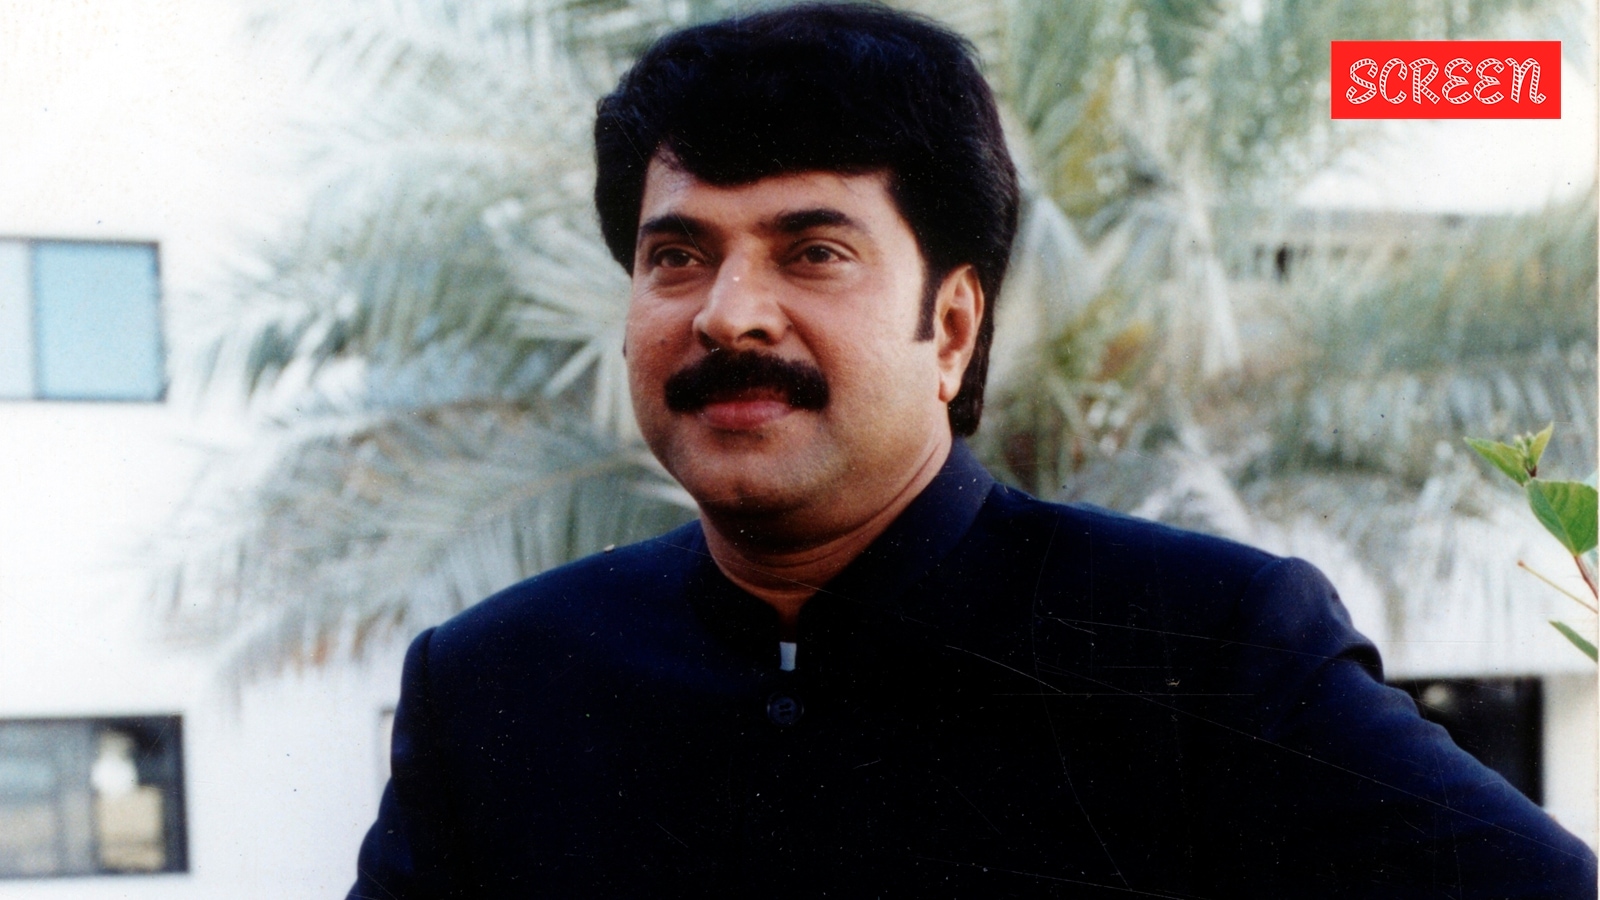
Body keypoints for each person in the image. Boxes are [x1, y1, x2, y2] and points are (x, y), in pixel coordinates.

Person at [349, 4, 1597, 897]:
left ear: (950, 326)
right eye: (676, 256)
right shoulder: (495, 685)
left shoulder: (1202, 652)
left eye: (812, 252)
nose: (727, 314)